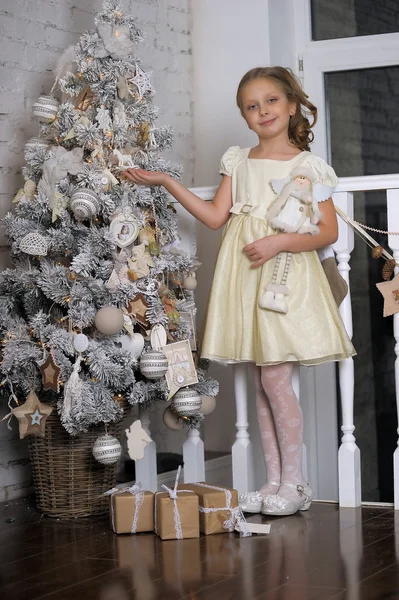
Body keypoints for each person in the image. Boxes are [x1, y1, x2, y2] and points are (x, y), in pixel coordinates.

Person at [124, 66, 356, 516]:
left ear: (292, 105)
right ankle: (273, 482)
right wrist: (168, 183)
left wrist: (279, 240)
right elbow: (214, 216)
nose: (263, 111)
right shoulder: (238, 160)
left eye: (271, 100)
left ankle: (296, 482)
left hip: (280, 276)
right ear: (245, 117)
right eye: (252, 106)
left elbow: (326, 230)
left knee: (274, 378)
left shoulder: (307, 166)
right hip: (244, 279)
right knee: (257, 379)